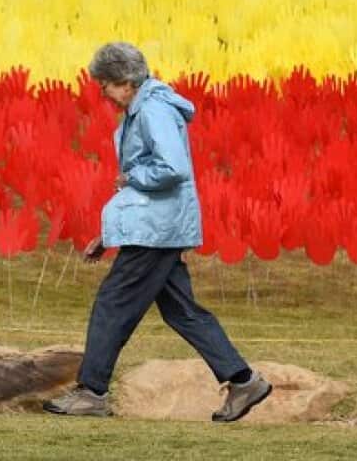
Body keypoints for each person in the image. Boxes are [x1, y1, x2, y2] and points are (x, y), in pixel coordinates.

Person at [44, 42, 273, 422]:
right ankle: (243, 381)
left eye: (104, 83)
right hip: (156, 228)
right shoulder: (147, 109)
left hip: (157, 231)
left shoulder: (153, 110)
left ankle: (92, 392)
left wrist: (132, 176)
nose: (102, 92)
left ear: (124, 80)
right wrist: (110, 234)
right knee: (183, 312)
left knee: (112, 304)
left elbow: (172, 167)